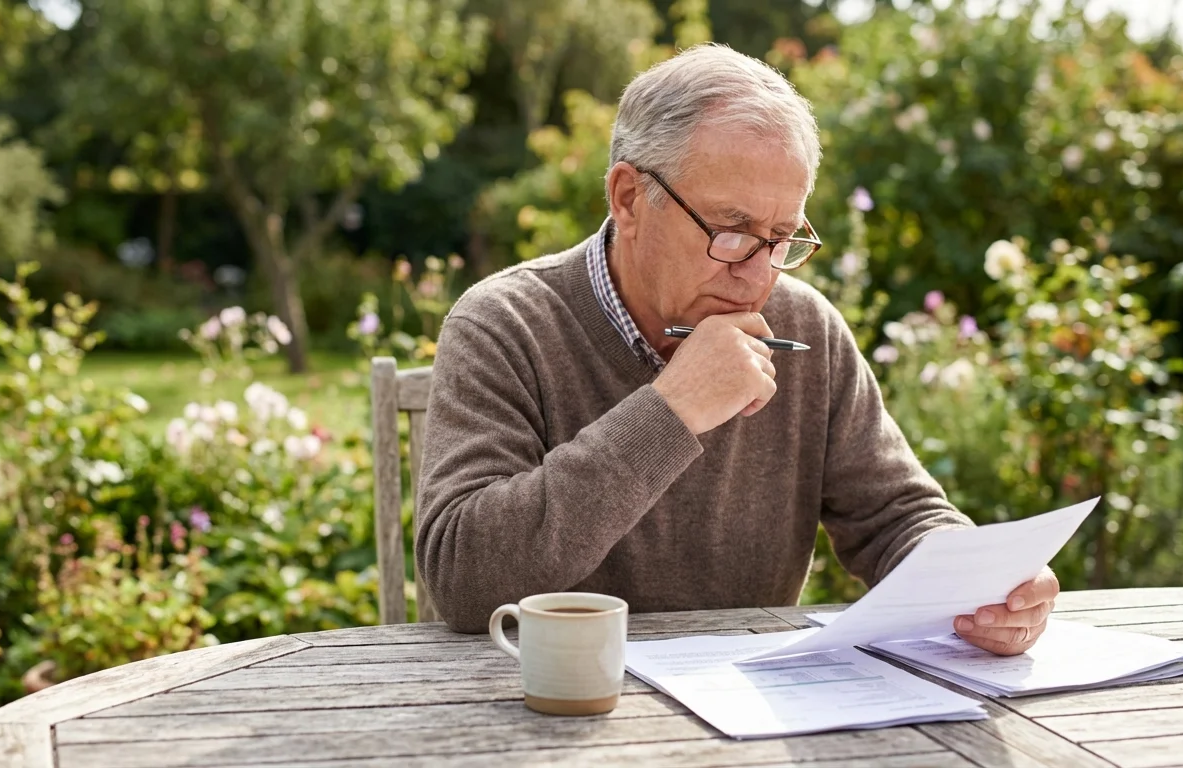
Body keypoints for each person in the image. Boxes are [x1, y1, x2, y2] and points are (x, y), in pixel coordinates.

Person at [416, 43, 1057, 654]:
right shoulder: (502, 324)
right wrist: (673, 409)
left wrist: (982, 584)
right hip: (549, 711)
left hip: (748, 709)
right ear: (629, 197)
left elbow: (895, 515)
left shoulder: (808, 327)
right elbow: (465, 581)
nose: (757, 275)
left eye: (781, 237)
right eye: (730, 230)